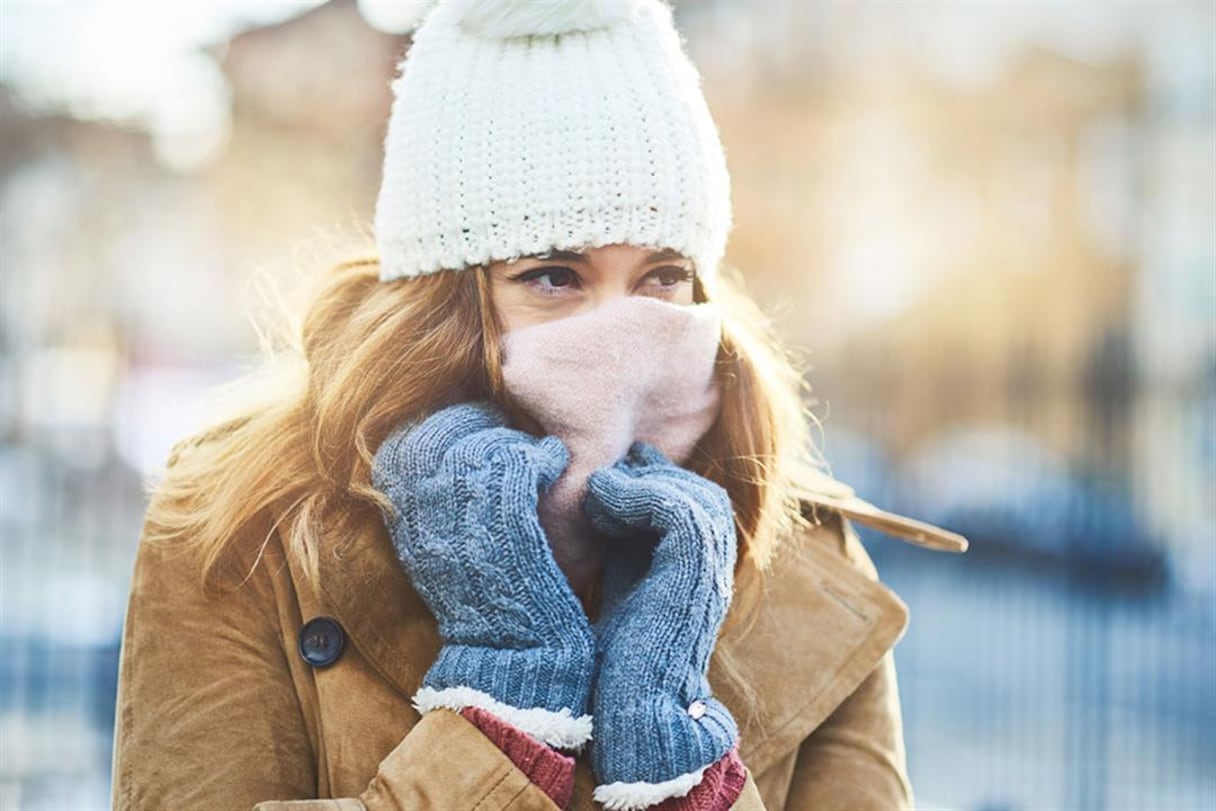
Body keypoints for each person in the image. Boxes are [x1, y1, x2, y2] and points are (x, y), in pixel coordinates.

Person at [109, 1, 968, 809]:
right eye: (554, 276)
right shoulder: (244, 525)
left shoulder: (807, 561)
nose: (623, 333)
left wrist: (680, 769)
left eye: (662, 276)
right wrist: (502, 723)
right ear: (441, 302)